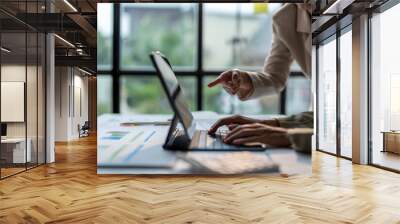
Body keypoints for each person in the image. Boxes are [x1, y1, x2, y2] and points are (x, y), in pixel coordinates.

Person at [208, 3, 313, 153]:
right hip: (318, 121)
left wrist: (278, 128)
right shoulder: (285, 18)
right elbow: (274, 77)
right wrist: (244, 79)